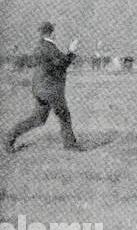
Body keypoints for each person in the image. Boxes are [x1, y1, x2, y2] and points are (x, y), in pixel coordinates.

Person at [5, 21, 82, 153]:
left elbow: (35, 63)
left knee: (38, 119)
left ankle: (10, 137)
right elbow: (62, 64)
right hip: (51, 90)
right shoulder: (50, 48)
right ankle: (70, 145)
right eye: (55, 31)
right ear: (52, 33)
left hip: (39, 89)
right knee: (64, 116)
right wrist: (71, 51)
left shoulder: (39, 46)